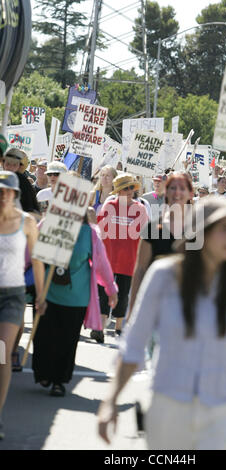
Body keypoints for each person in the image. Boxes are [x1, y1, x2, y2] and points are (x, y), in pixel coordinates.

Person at [98, 196, 226, 450]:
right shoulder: (163, 275)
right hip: (169, 406)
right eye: (223, 228)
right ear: (201, 233)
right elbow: (134, 343)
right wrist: (110, 401)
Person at [32, 210, 118, 398]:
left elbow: (102, 263)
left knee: (67, 340)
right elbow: (31, 251)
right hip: (47, 293)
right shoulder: (49, 224)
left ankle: (59, 381)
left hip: (76, 297)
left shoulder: (90, 233)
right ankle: (43, 373)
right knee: (43, 336)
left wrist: (110, 288)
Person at [0, 171, 45, 440]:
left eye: (7, 191)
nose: (2, 194)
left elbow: (37, 260)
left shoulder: (27, 223)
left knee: (3, 351)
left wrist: (40, 295)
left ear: (16, 193)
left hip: (13, 296)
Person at [128, 172, 194, 319]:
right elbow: (140, 269)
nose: (177, 192)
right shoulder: (152, 227)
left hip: (186, 308)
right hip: (154, 305)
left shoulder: (198, 230)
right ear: (166, 192)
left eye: (182, 188)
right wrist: (132, 309)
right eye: (172, 188)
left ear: (190, 194)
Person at [97, 173, 148, 338]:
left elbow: (145, 234)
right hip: (108, 258)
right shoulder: (108, 205)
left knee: (123, 293)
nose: (129, 191)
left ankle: (118, 327)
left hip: (129, 259)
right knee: (104, 292)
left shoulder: (140, 209)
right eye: (125, 188)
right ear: (118, 191)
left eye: (131, 187)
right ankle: (100, 328)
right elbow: (100, 231)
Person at [2, 148, 40, 219]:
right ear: (3, 163)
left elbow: (31, 208)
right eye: (8, 164)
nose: (10, 167)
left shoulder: (24, 182)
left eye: (14, 165)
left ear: (19, 166)